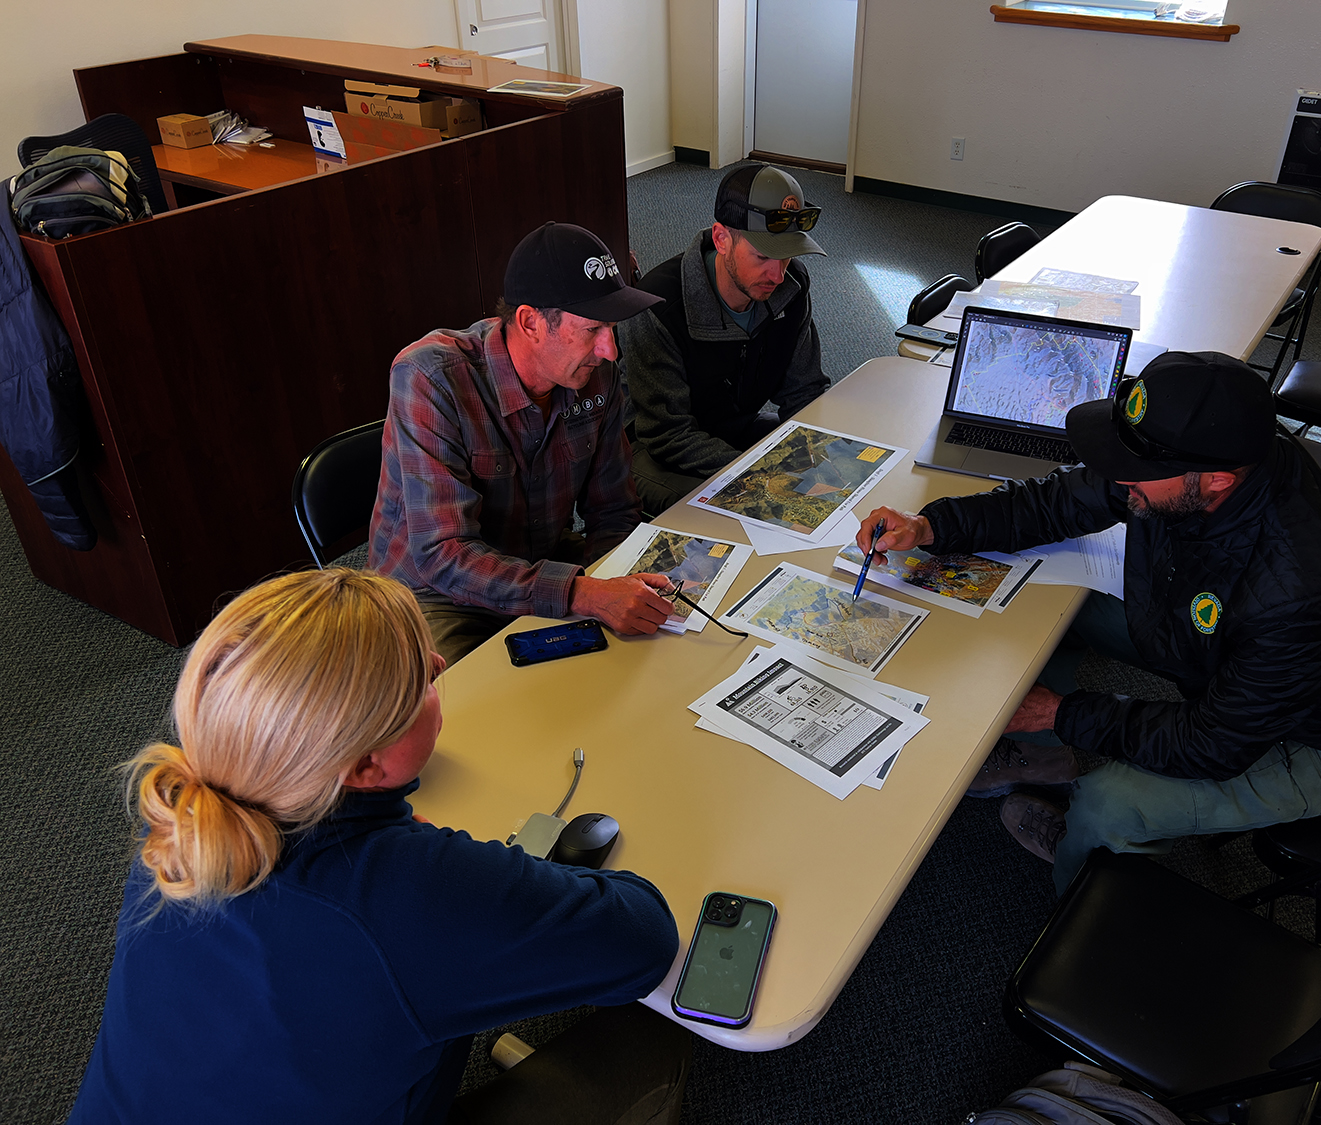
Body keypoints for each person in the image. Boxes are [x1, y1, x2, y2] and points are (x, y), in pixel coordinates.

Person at [69, 569, 689, 1125]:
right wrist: (466, 876)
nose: (441, 666)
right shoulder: (409, 889)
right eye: (420, 678)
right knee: (646, 1048)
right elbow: (644, 942)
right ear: (366, 766)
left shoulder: (179, 835)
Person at [855, 351, 1321, 894]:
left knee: (1107, 806)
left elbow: (1212, 744)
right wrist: (930, 526)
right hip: (1218, 648)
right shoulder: (1204, 458)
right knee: (1054, 606)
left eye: (1134, 472)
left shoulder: (1304, 595)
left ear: (1217, 480)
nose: (1117, 479)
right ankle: (1046, 755)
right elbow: (1054, 503)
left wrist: (1063, 711)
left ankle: (1082, 887)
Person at [369, 221, 677, 664]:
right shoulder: (431, 378)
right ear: (531, 322)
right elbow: (443, 554)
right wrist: (583, 593)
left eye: (611, 328)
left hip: (536, 561)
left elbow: (613, 511)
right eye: (592, 329)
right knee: (466, 712)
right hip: (432, 595)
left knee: (642, 654)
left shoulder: (595, 375)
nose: (610, 349)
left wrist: (613, 581)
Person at [619, 162, 830, 514]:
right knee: (743, 507)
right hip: (650, 447)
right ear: (721, 239)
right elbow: (666, 433)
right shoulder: (659, 307)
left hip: (731, 427)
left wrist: (822, 455)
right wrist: (759, 475)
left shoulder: (790, 287)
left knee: (822, 472)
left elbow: (804, 392)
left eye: (787, 255)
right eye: (762, 256)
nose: (777, 274)